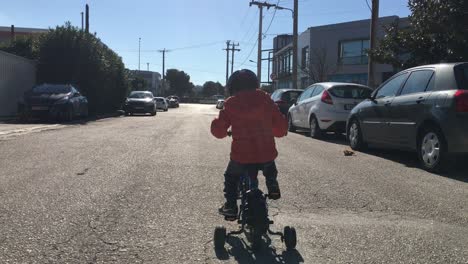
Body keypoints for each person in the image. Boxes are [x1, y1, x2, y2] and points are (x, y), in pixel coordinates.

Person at [211, 69, 288, 218]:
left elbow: (219, 131)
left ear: (233, 87)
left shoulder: (231, 103)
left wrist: (216, 125)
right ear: (255, 84)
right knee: (270, 166)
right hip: (265, 153)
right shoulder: (266, 100)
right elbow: (280, 128)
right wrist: (277, 131)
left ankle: (231, 206)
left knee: (231, 177)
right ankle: (272, 184)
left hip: (241, 156)